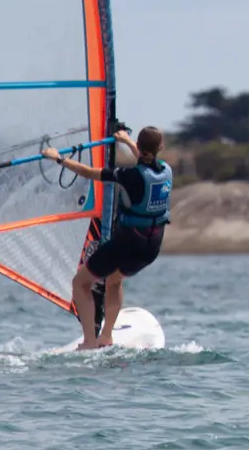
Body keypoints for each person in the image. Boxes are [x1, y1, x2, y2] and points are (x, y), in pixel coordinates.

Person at [43, 125, 173, 350]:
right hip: (151, 247)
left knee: (80, 283)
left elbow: (89, 172)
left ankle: (89, 342)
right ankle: (106, 336)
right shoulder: (166, 171)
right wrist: (127, 141)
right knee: (114, 280)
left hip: (126, 244)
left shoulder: (128, 176)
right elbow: (145, 162)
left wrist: (59, 159)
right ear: (160, 147)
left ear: (141, 148)